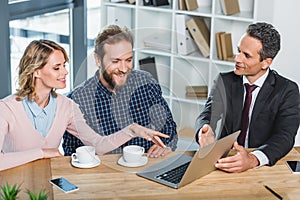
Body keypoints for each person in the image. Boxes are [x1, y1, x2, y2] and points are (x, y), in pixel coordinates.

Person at [0, 39, 169, 171]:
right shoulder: (6, 109)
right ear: (36, 71)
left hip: (50, 182)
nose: (65, 72)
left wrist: (131, 130)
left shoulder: (66, 106)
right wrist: (41, 153)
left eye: (64, 66)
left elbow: (97, 145)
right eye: (57, 67)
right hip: (11, 189)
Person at [195, 22, 300, 173]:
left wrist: (253, 159)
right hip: (225, 161)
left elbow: (284, 136)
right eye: (239, 51)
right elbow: (208, 114)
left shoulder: (287, 90)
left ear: (266, 63)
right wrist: (204, 130)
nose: (237, 59)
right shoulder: (224, 81)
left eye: (246, 55)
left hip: (263, 164)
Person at [62, 25, 178, 158]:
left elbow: (168, 126)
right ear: (98, 59)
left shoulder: (145, 82)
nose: (123, 68)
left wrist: (163, 145)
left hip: (146, 164)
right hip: (103, 174)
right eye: (116, 61)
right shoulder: (77, 99)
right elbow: (71, 153)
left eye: (128, 60)